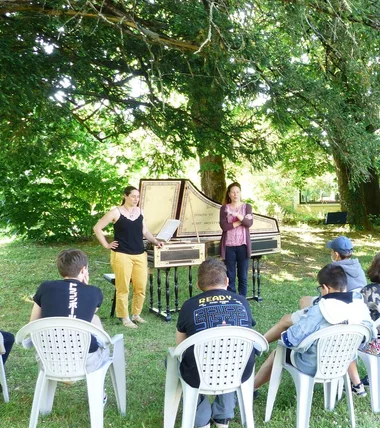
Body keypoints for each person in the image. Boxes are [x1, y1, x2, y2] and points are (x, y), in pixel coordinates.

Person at [254, 264, 375, 395]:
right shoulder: (360, 306)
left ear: (325, 288)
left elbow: (291, 339)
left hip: (314, 364)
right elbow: (369, 336)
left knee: (278, 353)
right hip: (343, 363)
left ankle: (252, 388)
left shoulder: (319, 310)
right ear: (345, 285)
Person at [176, 258, 256, 428]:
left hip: (199, 373)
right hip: (239, 369)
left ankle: (200, 417)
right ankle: (223, 415)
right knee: (229, 358)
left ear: (198, 285)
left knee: (181, 361)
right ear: (227, 281)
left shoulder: (188, 306)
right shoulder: (242, 302)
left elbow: (180, 348)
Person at [93, 185, 163, 329]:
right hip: (122, 254)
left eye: (138, 197)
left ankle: (136, 314)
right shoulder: (116, 212)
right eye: (133, 196)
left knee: (140, 287)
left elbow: (145, 231)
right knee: (123, 287)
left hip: (140, 254)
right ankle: (124, 317)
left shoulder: (140, 212)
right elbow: (97, 228)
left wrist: (156, 241)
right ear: (125, 196)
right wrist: (106, 244)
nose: (136, 199)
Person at [29, 249, 109, 373]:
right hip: (85, 360)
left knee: (94, 318)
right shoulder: (94, 292)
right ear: (83, 270)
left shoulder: (45, 287)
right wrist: (85, 288)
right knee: (100, 332)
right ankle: (100, 391)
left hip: (49, 359)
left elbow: (33, 324)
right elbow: (85, 313)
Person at [300, 236, 366, 309]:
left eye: (331, 251)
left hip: (339, 307)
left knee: (304, 300)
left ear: (336, 254)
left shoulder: (332, 271)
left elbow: (326, 295)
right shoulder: (358, 266)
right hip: (360, 306)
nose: (331, 253)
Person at [219, 182, 253, 297]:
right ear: (229, 194)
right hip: (229, 246)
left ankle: (242, 299)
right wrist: (240, 221)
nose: (235, 194)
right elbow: (224, 227)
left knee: (243, 276)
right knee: (230, 275)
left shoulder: (247, 207)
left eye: (237, 192)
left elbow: (248, 223)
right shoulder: (224, 208)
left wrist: (236, 215)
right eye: (233, 192)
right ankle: (232, 298)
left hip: (243, 246)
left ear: (240, 193)